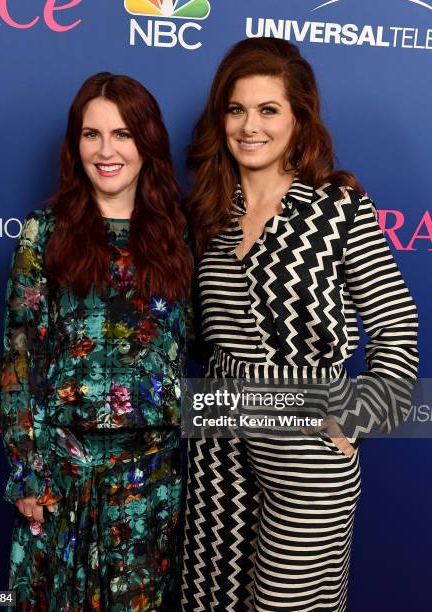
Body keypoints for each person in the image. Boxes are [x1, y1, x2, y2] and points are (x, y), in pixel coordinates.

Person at [181, 38, 418, 611]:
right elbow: (191, 334)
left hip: (305, 449)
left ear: (298, 118)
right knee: (215, 599)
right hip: (218, 447)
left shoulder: (337, 206)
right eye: (236, 109)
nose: (249, 127)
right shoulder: (209, 212)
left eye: (269, 110)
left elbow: (396, 321)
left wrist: (359, 417)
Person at [0, 72, 192, 610]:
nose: (106, 150)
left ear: (147, 142)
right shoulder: (46, 229)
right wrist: (26, 469)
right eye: (91, 134)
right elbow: (19, 357)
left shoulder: (181, 233)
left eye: (122, 134)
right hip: (62, 470)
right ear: (75, 143)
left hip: (153, 477)